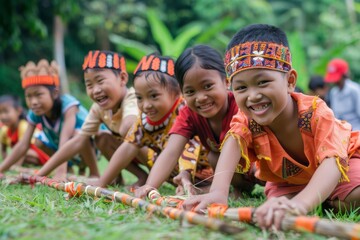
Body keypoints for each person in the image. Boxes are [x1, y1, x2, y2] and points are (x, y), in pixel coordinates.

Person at [182, 24, 360, 230]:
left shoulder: (315, 111)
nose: (253, 95)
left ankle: (317, 199)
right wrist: (218, 192)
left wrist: (300, 206)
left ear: (290, 81)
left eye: (263, 82)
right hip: (288, 183)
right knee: (274, 208)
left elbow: (333, 162)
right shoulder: (247, 120)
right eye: (241, 87)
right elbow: (233, 141)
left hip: (341, 169)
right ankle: (322, 199)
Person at [135, 45, 258, 198]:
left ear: (226, 82)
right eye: (190, 91)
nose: (200, 97)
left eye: (208, 86)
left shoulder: (239, 106)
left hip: (261, 164)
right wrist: (150, 185)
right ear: (182, 92)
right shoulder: (189, 114)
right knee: (214, 155)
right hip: (237, 174)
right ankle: (239, 189)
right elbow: (171, 151)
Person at [88, 53, 212, 191]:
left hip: (204, 171)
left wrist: (185, 176)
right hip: (172, 173)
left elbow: (190, 149)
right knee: (137, 142)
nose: (146, 105)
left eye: (154, 96)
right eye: (139, 98)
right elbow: (128, 147)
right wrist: (102, 182)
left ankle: (204, 188)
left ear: (178, 92)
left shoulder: (186, 111)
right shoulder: (144, 119)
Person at [35, 50, 147, 185]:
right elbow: (78, 141)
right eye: (89, 85)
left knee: (129, 131)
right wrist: (39, 175)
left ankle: (148, 176)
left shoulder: (133, 97)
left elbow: (129, 127)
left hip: (152, 155)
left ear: (122, 78)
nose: (96, 90)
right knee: (102, 138)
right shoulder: (98, 108)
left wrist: (101, 182)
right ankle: (142, 176)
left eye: (100, 81)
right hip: (133, 153)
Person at [0, 60, 98, 178]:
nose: (33, 102)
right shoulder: (35, 112)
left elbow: (65, 140)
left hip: (90, 146)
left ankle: (94, 173)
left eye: (39, 95)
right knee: (39, 140)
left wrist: (59, 173)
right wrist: (1, 169)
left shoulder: (69, 106)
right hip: (64, 151)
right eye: (29, 96)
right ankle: (68, 168)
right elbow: (23, 145)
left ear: (55, 93)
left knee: (78, 134)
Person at [0, 95, 49, 166]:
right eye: (0, 113)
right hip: (24, 154)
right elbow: (3, 148)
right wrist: (5, 161)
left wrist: (16, 166)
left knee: (21, 152)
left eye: (6, 112)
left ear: (18, 111)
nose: (3, 116)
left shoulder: (23, 126)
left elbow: (23, 148)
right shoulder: (4, 130)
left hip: (39, 153)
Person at [324, 58, 360, 130]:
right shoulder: (333, 92)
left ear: (344, 75)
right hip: (341, 131)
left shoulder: (354, 90)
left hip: (356, 129)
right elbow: (335, 115)